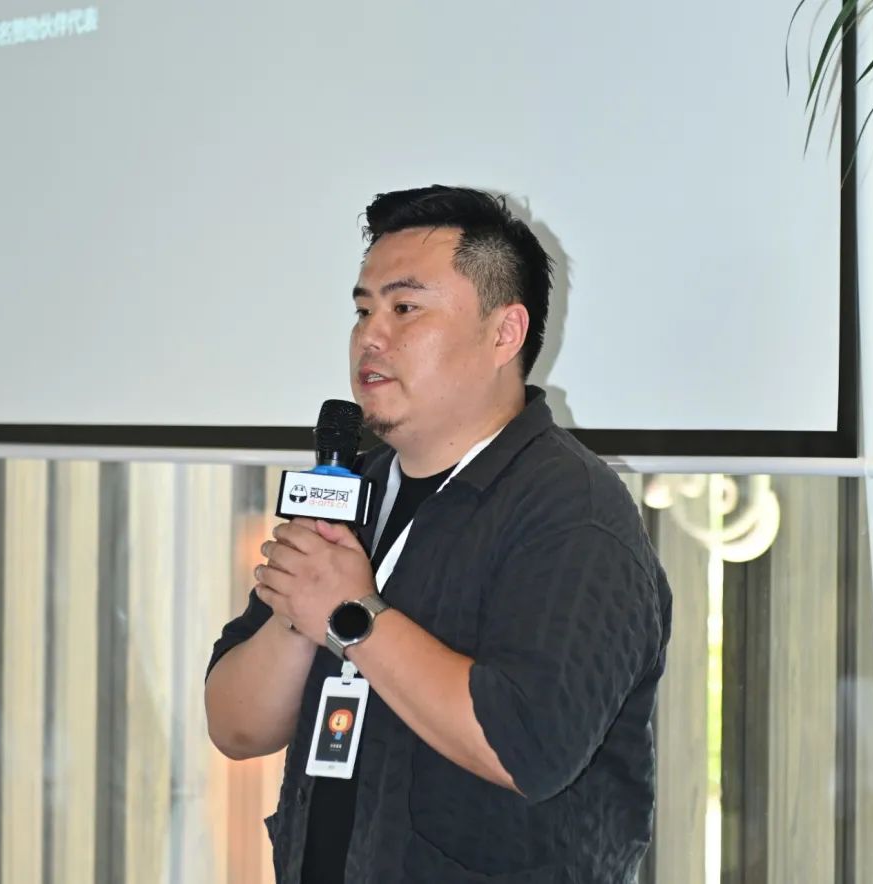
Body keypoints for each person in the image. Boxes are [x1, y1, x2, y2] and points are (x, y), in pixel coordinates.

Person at [204, 186, 673, 883]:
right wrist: (303, 615)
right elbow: (234, 725)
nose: (370, 336)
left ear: (504, 333)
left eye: (405, 308)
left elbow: (527, 747)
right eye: (363, 310)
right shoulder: (351, 493)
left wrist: (353, 615)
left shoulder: (574, 513)